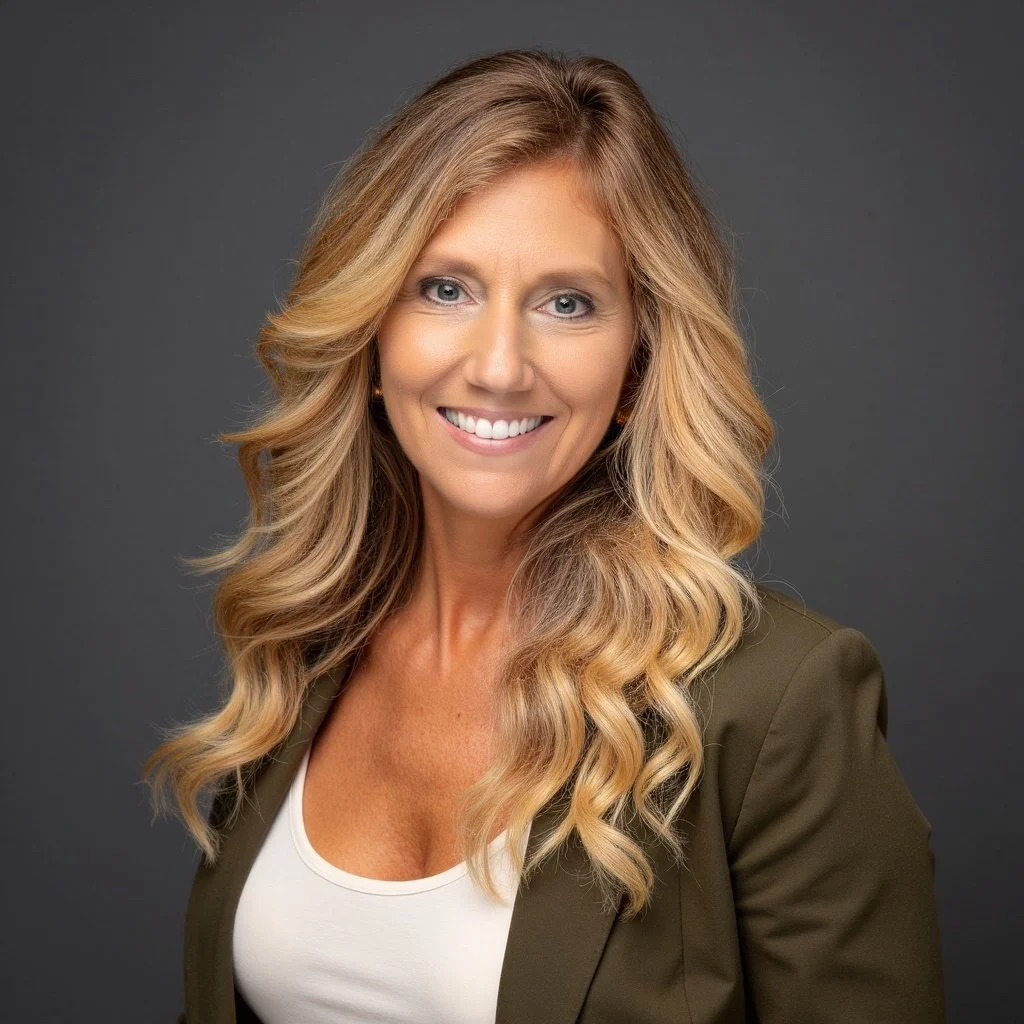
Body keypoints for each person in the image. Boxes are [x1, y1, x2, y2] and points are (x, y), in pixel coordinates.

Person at [146, 47, 946, 1024]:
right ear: (370, 333)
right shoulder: (301, 653)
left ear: (637, 361)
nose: (498, 365)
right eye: (444, 288)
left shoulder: (777, 701)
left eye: (567, 303)